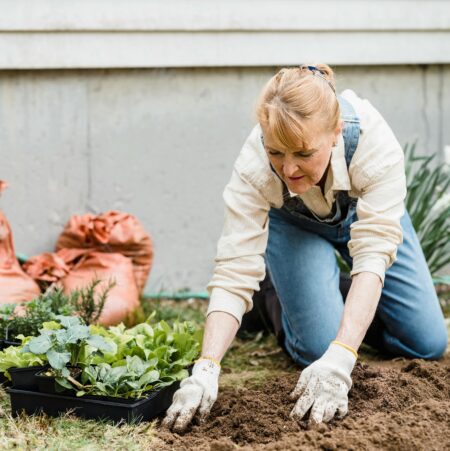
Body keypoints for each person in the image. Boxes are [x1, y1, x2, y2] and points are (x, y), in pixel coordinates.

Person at [163, 64, 448, 433]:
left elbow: (374, 253)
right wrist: (206, 368)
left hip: (366, 219)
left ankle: (320, 292)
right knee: (317, 349)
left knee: (426, 342)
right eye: (276, 153)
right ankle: (271, 296)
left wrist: (344, 355)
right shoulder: (254, 167)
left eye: (302, 152)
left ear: (335, 133)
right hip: (293, 226)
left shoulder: (373, 143)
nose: (289, 169)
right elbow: (234, 269)